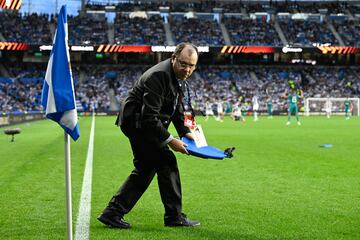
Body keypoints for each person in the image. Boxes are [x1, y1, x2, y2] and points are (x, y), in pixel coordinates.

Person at [97, 43, 200, 229]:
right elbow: (149, 117)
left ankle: (112, 213)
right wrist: (171, 140)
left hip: (143, 123)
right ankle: (174, 217)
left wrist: (185, 132)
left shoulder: (179, 77)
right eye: (184, 64)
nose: (187, 69)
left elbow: (176, 109)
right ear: (174, 58)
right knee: (166, 160)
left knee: (146, 169)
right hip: (137, 124)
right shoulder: (159, 75)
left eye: (192, 66)